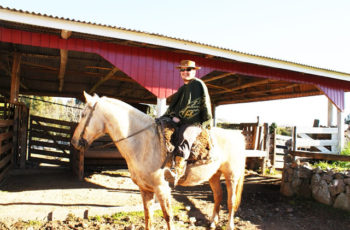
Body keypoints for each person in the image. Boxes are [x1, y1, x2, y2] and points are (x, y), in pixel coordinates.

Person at [162, 60, 213, 185]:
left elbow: (203, 104)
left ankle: (178, 170)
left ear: (194, 71)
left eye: (188, 69)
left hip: (195, 122)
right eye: (182, 70)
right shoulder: (182, 89)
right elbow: (174, 108)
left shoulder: (198, 84)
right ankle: (166, 162)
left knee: (185, 134)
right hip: (180, 120)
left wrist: (203, 121)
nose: (185, 72)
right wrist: (172, 116)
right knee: (163, 130)